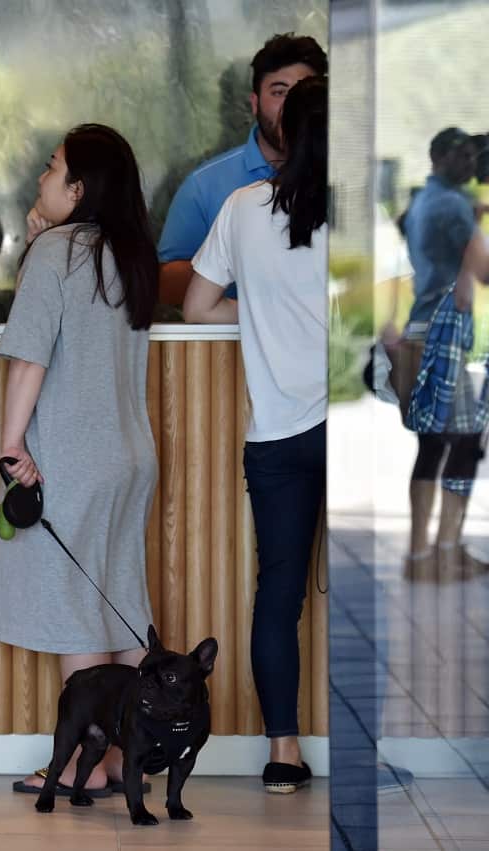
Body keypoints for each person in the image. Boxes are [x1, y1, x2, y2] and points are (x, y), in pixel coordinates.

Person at [0, 124, 159, 797]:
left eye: (52, 170)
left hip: (74, 456)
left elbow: (31, 354)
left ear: (78, 189)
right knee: (123, 604)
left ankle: (82, 761)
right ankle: (129, 753)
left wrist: (10, 443)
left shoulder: (56, 251)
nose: (41, 181)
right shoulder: (127, 253)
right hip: (130, 455)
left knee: (81, 613)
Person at [183, 75, 329, 793]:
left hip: (277, 434)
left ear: (284, 131)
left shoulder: (244, 207)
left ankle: (282, 753)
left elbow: (196, 303)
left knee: (279, 591)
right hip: (356, 429)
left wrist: (261, 324)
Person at [158, 33, 326, 306]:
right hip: (226, 344)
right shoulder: (204, 185)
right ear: (255, 102)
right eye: (280, 92)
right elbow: (165, 283)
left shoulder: (344, 185)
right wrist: (232, 261)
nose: (291, 107)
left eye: (303, 93)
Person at [388, 127, 487, 581]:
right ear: (440, 157)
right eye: (463, 156)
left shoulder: (426, 200)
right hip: (446, 335)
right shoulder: (452, 206)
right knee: (465, 446)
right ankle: (446, 551)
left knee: (432, 446)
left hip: (420, 327)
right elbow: (484, 270)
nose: (471, 164)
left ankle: (418, 554)